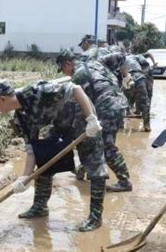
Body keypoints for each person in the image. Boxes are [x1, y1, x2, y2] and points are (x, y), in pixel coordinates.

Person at [0, 79, 109, 231]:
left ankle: (95, 217)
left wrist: (91, 118)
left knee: (94, 165)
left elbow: (76, 89)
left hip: (82, 119)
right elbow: (32, 149)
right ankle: (40, 207)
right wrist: (24, 178)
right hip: (61, 126)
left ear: (2, 99)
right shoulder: (20, 118)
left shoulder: (36, 92)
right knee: (43, 158)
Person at [56, 49, 132, 192]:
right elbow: (121, 55)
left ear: (67, 64)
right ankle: (83, 170)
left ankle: (124, 181)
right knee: (93, 140)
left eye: (62, 69)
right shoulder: (96, 63)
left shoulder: (77, 78)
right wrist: (126, 75)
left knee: (106, 146)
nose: (63, 73)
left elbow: (74, 110)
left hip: (108, 107)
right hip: (120, 102)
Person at [124, 54, 152, 131]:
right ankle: (147, 125)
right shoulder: (136, 56)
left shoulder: (119, 59)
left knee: (124, 101)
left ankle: (121, 123)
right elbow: (146, 65)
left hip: (126, 79)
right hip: (139, 77)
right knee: (144, 101)